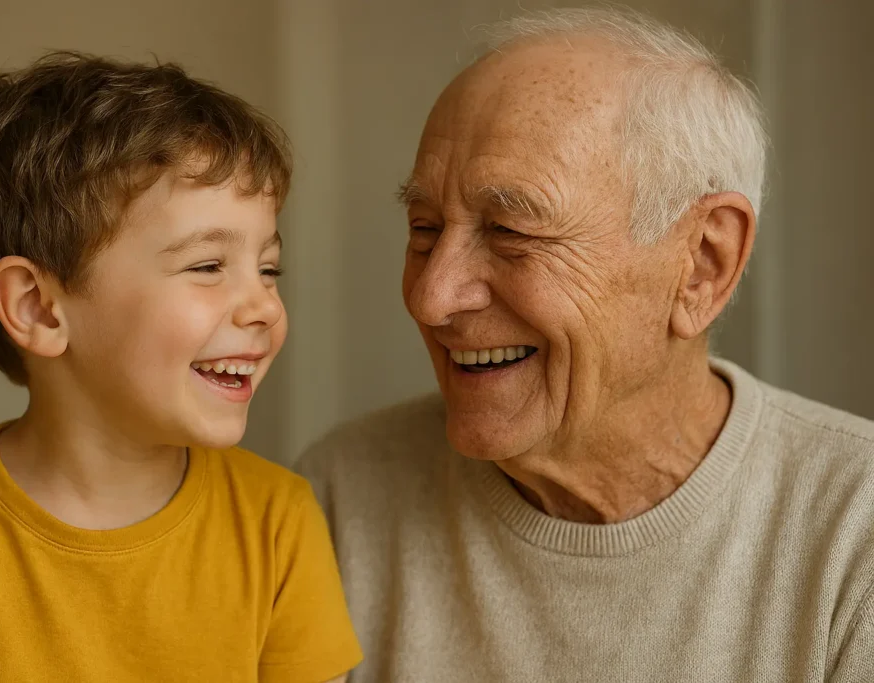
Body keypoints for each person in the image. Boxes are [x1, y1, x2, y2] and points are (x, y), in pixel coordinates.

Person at [297, 7, 874, 682]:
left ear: (703, 264)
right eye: (424, 228)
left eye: (511, 230)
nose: (432, 295)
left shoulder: (855, 534)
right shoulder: (339, 496)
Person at [0, 52, 360, 683]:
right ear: (38, 307)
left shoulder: (278, 519)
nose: (263, 306)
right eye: (207, 266)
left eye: (268, 268)